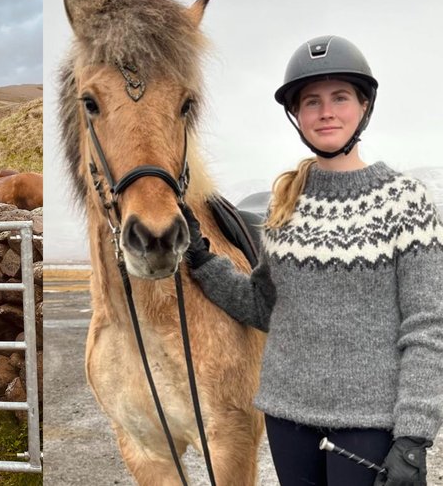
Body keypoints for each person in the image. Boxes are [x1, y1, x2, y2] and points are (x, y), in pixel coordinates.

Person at [182, 35, 443, 486]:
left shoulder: (406, 202)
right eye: (311, 101)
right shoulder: (286, 202)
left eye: (340, 97)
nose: (326, 112)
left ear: (363, 106)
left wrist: (415, 438)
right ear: (296, 116)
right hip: (288, 420)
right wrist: (204, 261)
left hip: (369, 423)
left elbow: (428, 326)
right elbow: (265, 306)